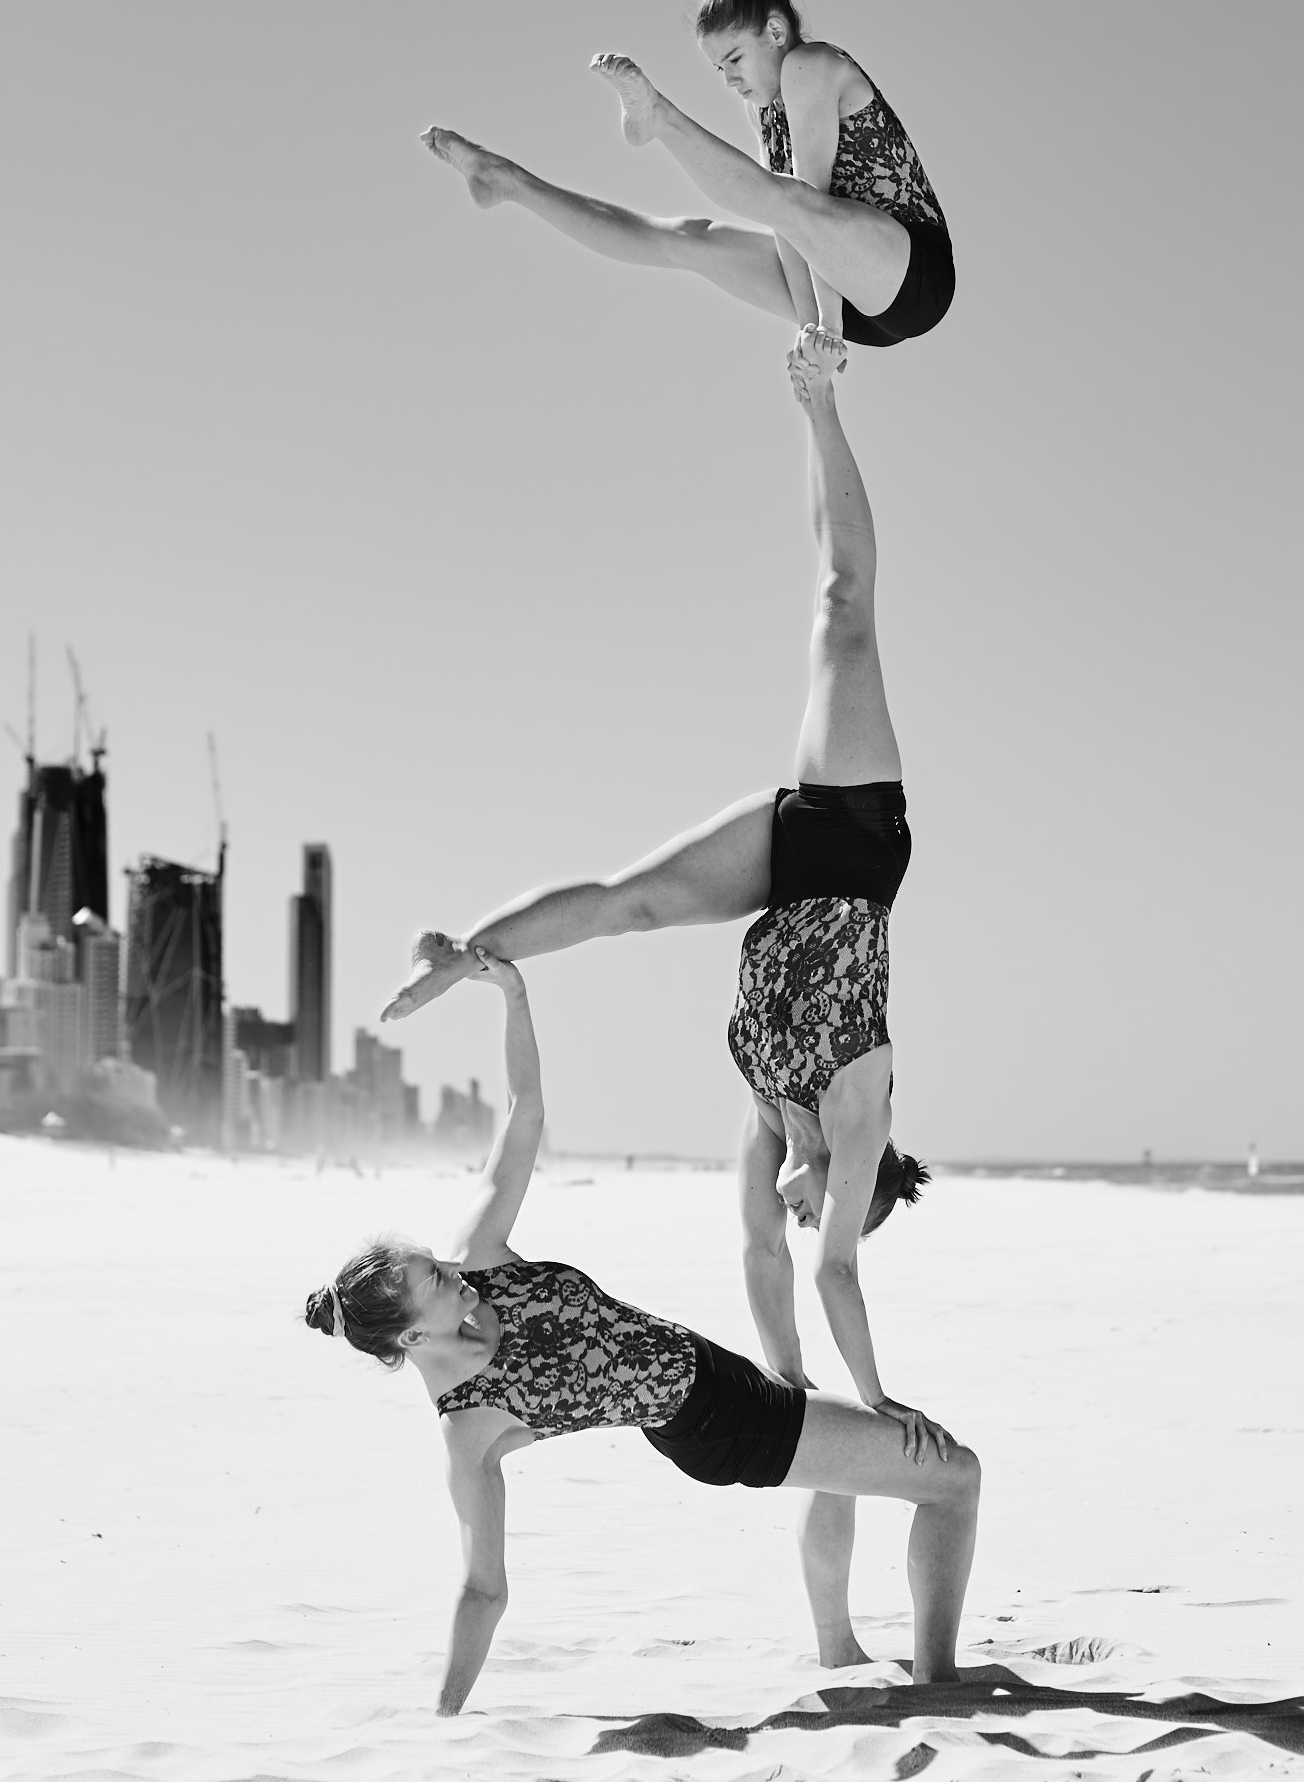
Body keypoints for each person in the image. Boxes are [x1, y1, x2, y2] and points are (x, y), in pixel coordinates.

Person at [383, 331, 944, 1456]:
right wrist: (880, 1399)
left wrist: (791, 1381)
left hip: (781, 883)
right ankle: (820, 401)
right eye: (831, 1202)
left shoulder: (766, 1115)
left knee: (627, 904)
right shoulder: (854, 1111)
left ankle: (464, 959)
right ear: (854, 1174)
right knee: (842, 606)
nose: (806, 1213)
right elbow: (829, 1264)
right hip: (852, 850)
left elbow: (759, 1256)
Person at [306, 948, 981, 1716]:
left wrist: (513, 996)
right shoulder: (469, 1430)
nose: (451, 1270)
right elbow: (482, 1587)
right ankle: (940, 1684)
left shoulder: (484, 1262)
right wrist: (444, 1719)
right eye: (432, 1279)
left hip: (712, 1375)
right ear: (410, 1340)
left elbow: (525, 1110)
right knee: (956, 1479)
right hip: (719, 1422)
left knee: (838, 1448)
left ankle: (837, 1650)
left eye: (433, 1260)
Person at [421, 0, 953, 357]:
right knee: (686, 240)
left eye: (736, 59)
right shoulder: (764, 110)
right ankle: (508, 181)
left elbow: (805, 206)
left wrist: (827, 333)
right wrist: (812, 329)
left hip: (909, 275)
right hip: (844, 291)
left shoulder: (809, 66)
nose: (731, 81)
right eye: (719, 69)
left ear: (775, 30)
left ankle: (661, 118)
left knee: (786, 202)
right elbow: (791, 229)